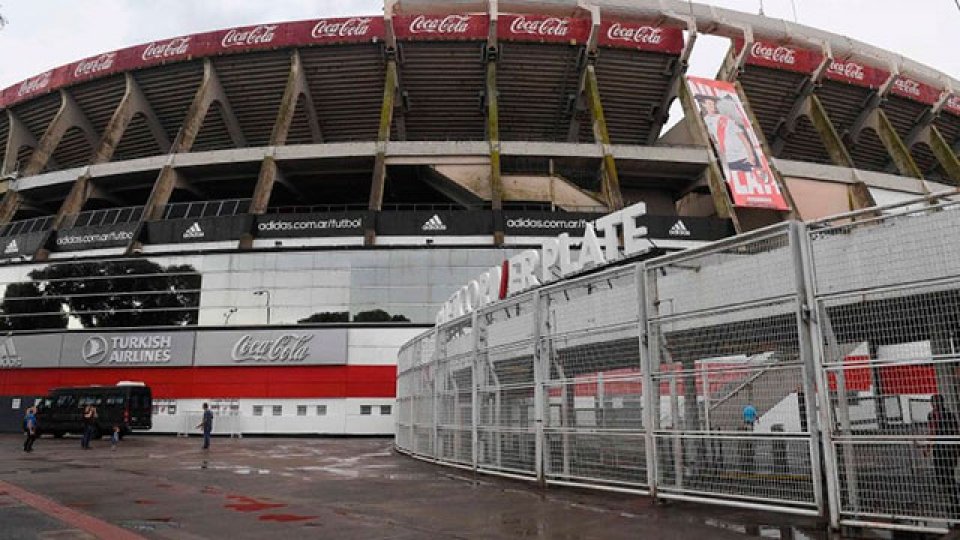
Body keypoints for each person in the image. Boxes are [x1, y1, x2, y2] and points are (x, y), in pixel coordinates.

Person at [696, 94, 761, 173]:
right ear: (703, 105)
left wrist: (750, 155)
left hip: (743, 156)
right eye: (709, 104)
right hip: (728, 160)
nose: (712, 106)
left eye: (713, 104)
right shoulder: (705, 121)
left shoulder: (726, 119)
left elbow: (743, 138)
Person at [926, 394, 959, 502]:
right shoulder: (931, 415)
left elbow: (955, 431)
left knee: (948, 473)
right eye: (933, 402)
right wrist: (928, 447)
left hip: (948, 447)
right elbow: (931, 432)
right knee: (940, 472)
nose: (935, 405)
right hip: (938, 448)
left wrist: (956, 447)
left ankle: (953, 498)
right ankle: (951, 494)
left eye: (937, 402)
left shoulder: (949, 415)